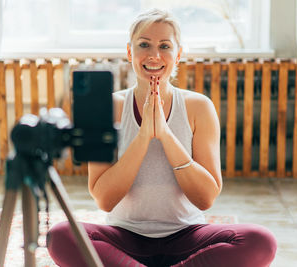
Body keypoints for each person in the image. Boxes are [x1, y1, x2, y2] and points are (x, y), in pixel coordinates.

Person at [47, 8, 277, 267]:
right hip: (124, 237)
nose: (154, 55)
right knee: (60, 236)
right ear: (130, 51)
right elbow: (104, 199)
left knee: (260, 241)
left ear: (178, 54)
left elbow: (206, 198)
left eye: (164, 46)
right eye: (144, 44)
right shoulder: (106, 107)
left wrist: (166, 136)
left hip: (187, 235)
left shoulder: (198, 107)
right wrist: (143, 137)